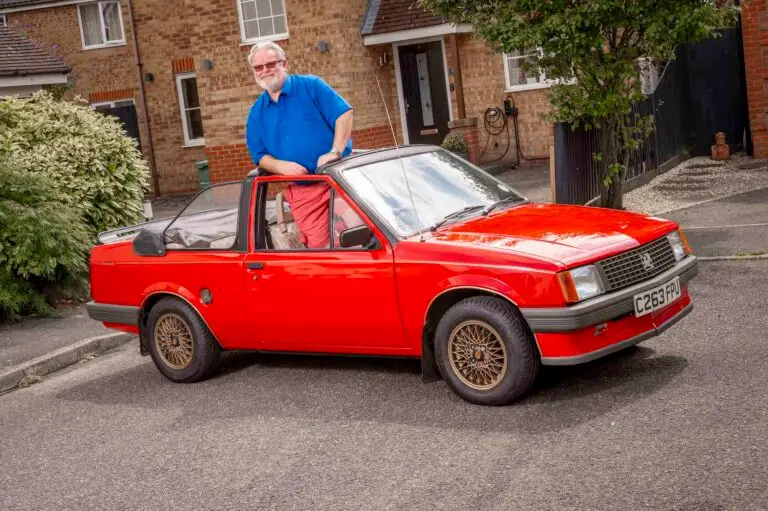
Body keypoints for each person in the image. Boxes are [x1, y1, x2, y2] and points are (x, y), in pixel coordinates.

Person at [245, 41, 354, 249]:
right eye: (259, 67)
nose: (265, 71)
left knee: (362, 236)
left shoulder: (311, 86)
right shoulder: (256, 113)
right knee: (320, 249)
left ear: (284, 63)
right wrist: (280, 167)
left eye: (271, 64)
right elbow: (260, 155)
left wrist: (335, 151)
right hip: (304, 192)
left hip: (339, 180)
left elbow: (344, 114)